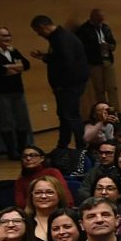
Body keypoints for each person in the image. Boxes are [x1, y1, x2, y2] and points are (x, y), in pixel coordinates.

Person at [29, 15, 91, 151]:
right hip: (69, 84)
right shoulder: (59, 37)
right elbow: (62, 58)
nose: (39, 35)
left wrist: (59, 85)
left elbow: (66, 62)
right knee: (65, 115)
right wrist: (46, 57)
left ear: (43, 27)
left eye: (38, 31)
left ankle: (82, 145)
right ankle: (63, 145)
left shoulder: (61, 39)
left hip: (69, 84)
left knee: (70, 115)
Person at [77, 8, 119, 114]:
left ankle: (116, 112)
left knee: (112, 88)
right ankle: (104, 113)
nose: (101, 21)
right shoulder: (84, 30)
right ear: (92, 17)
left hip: (107, 60)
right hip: (94, 62)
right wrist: (98, 47)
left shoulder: (105, 27)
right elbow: (81, 48)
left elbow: (112, 42)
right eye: (99, 19)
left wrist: (110, 46)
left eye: (102, 19)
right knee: (99, 89)